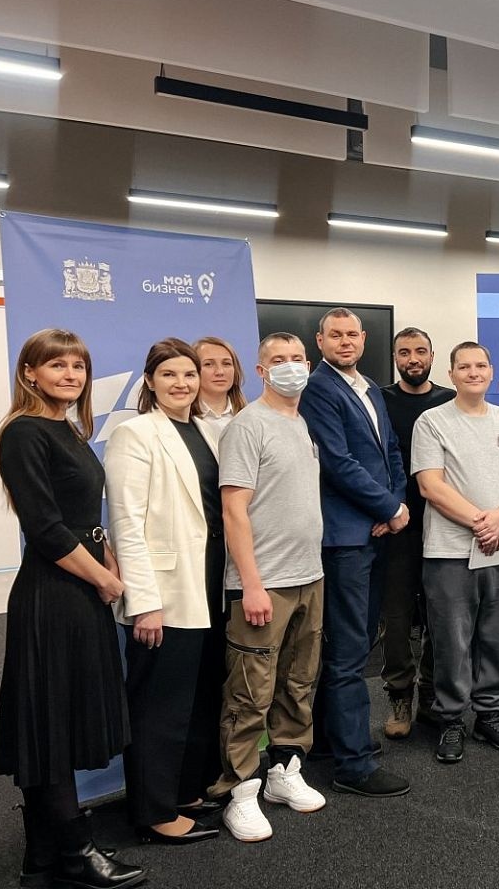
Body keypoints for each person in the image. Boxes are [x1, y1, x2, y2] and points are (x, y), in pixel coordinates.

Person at [0, 328, 145, 889]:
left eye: (78, 366)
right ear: (29, 373)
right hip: (52, 594)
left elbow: (85, 516)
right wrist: (105, 579)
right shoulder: (23, 432)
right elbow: (46, 528)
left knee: (57, 716)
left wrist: (107, 561)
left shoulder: (70, 429)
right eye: (57, 365)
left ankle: (43, 853)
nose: (71, 375)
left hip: (79, 586)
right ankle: (77, 852)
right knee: (50, 724)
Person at [209, 333, 328, 842]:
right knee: (249, 692)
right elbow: (233, 509)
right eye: (278, 360)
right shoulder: (248, 425)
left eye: (297, 359)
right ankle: (239, 791)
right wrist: (251, 586)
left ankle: (284, 769)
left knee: (298, 683)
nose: (290, 367)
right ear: (260, 371)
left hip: (309, 577)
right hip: (264, 585)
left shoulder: (300, 423)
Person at [106, 339, 223, 845]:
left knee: (199, 698)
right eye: (170, 374)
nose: (182, 383)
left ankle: (186, 791)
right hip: (165, 593)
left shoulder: (207, 431)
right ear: (150, 381)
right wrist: (144, 603)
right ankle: (153, 812)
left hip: (209, 585)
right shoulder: (134, 433)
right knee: (160, 705)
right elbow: (126, 523)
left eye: (189, 374)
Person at [299, 308, 411, 798]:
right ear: (320, 340)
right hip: (346, 537)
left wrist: (396, 504)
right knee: (347, 650)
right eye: (335, 335)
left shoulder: (368, 387)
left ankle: (330, 739)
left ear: (363, 340)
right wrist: (389, 506)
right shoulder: (318, 389)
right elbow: (337, 462)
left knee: (359, 640)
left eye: (352, 334)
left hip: (377, 530)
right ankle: (353, 764)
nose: (345, 341)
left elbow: (391, 452)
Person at [411, 342, 499, 763]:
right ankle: (450, 718)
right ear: (452, 374)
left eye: (481, 365)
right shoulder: (432, 421)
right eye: (464, 366)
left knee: (497, 637)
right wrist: (480, 522)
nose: (473, 372)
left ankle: (491, 713)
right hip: (449, 550)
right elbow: (430, 485)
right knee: (452, 640)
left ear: (491, 372)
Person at [378, 328, 455, 739]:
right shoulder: (380, 401)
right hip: (396, 526)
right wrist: (384, 508)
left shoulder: (449, 401)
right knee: (396, 618)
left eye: (420, 351)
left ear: (432, 356)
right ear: (395, 357)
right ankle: (399, 695)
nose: (413, 358)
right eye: (404, 352)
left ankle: (431, 693)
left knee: (441, 616)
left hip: (444, 524)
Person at [193, 335, 247, 441]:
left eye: (226, 364)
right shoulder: (182, 420)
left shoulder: (250, 417)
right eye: (208, 364)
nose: (220, 372)